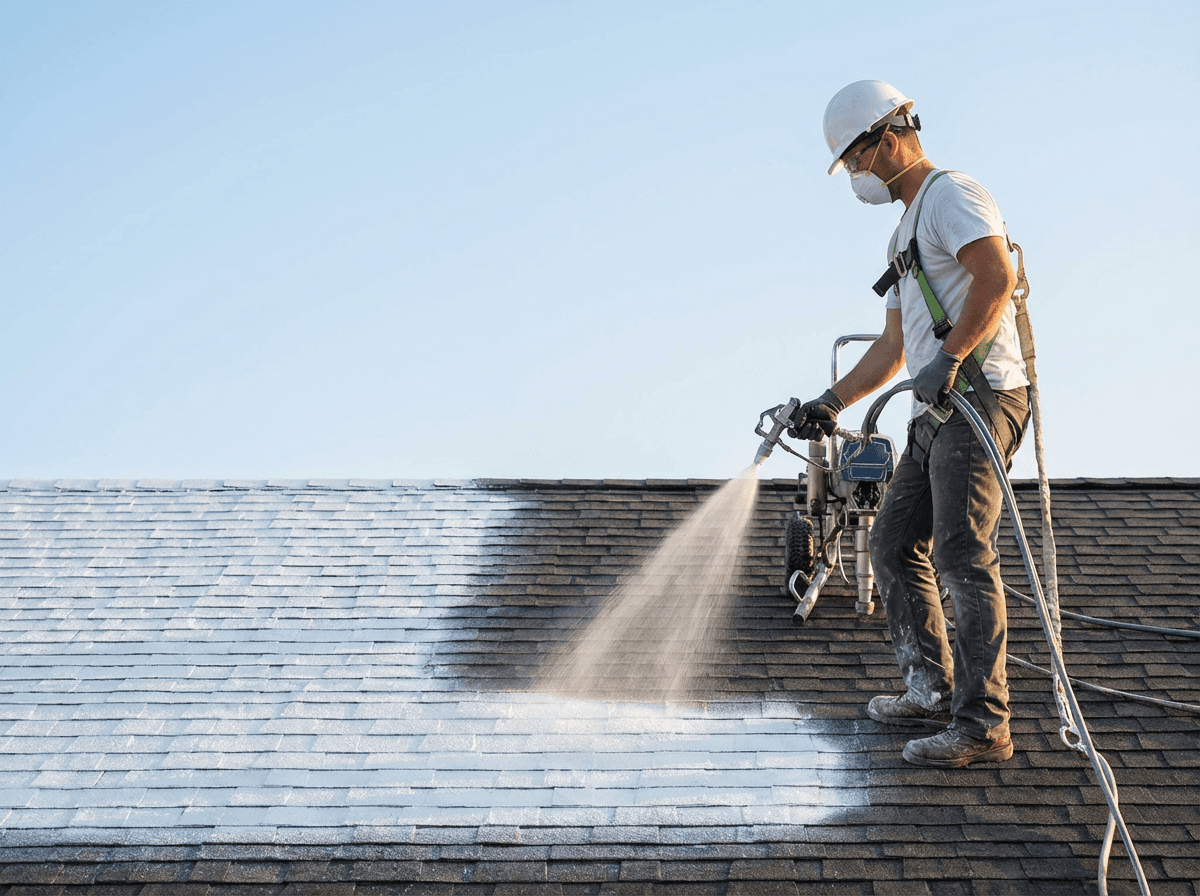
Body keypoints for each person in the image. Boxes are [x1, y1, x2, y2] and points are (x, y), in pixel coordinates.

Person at [789, 80, 1030, 768]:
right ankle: (931, 690)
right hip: (940, 409)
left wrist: (952, 355)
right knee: (893, 544)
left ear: (889, 136)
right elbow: (894, 350)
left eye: (858, 159)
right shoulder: (905, 231)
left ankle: (984, 726)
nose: (858, 176)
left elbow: (996, 277)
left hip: (980, 397)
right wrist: (830, 402)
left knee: (961, 550)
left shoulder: (952, 195)